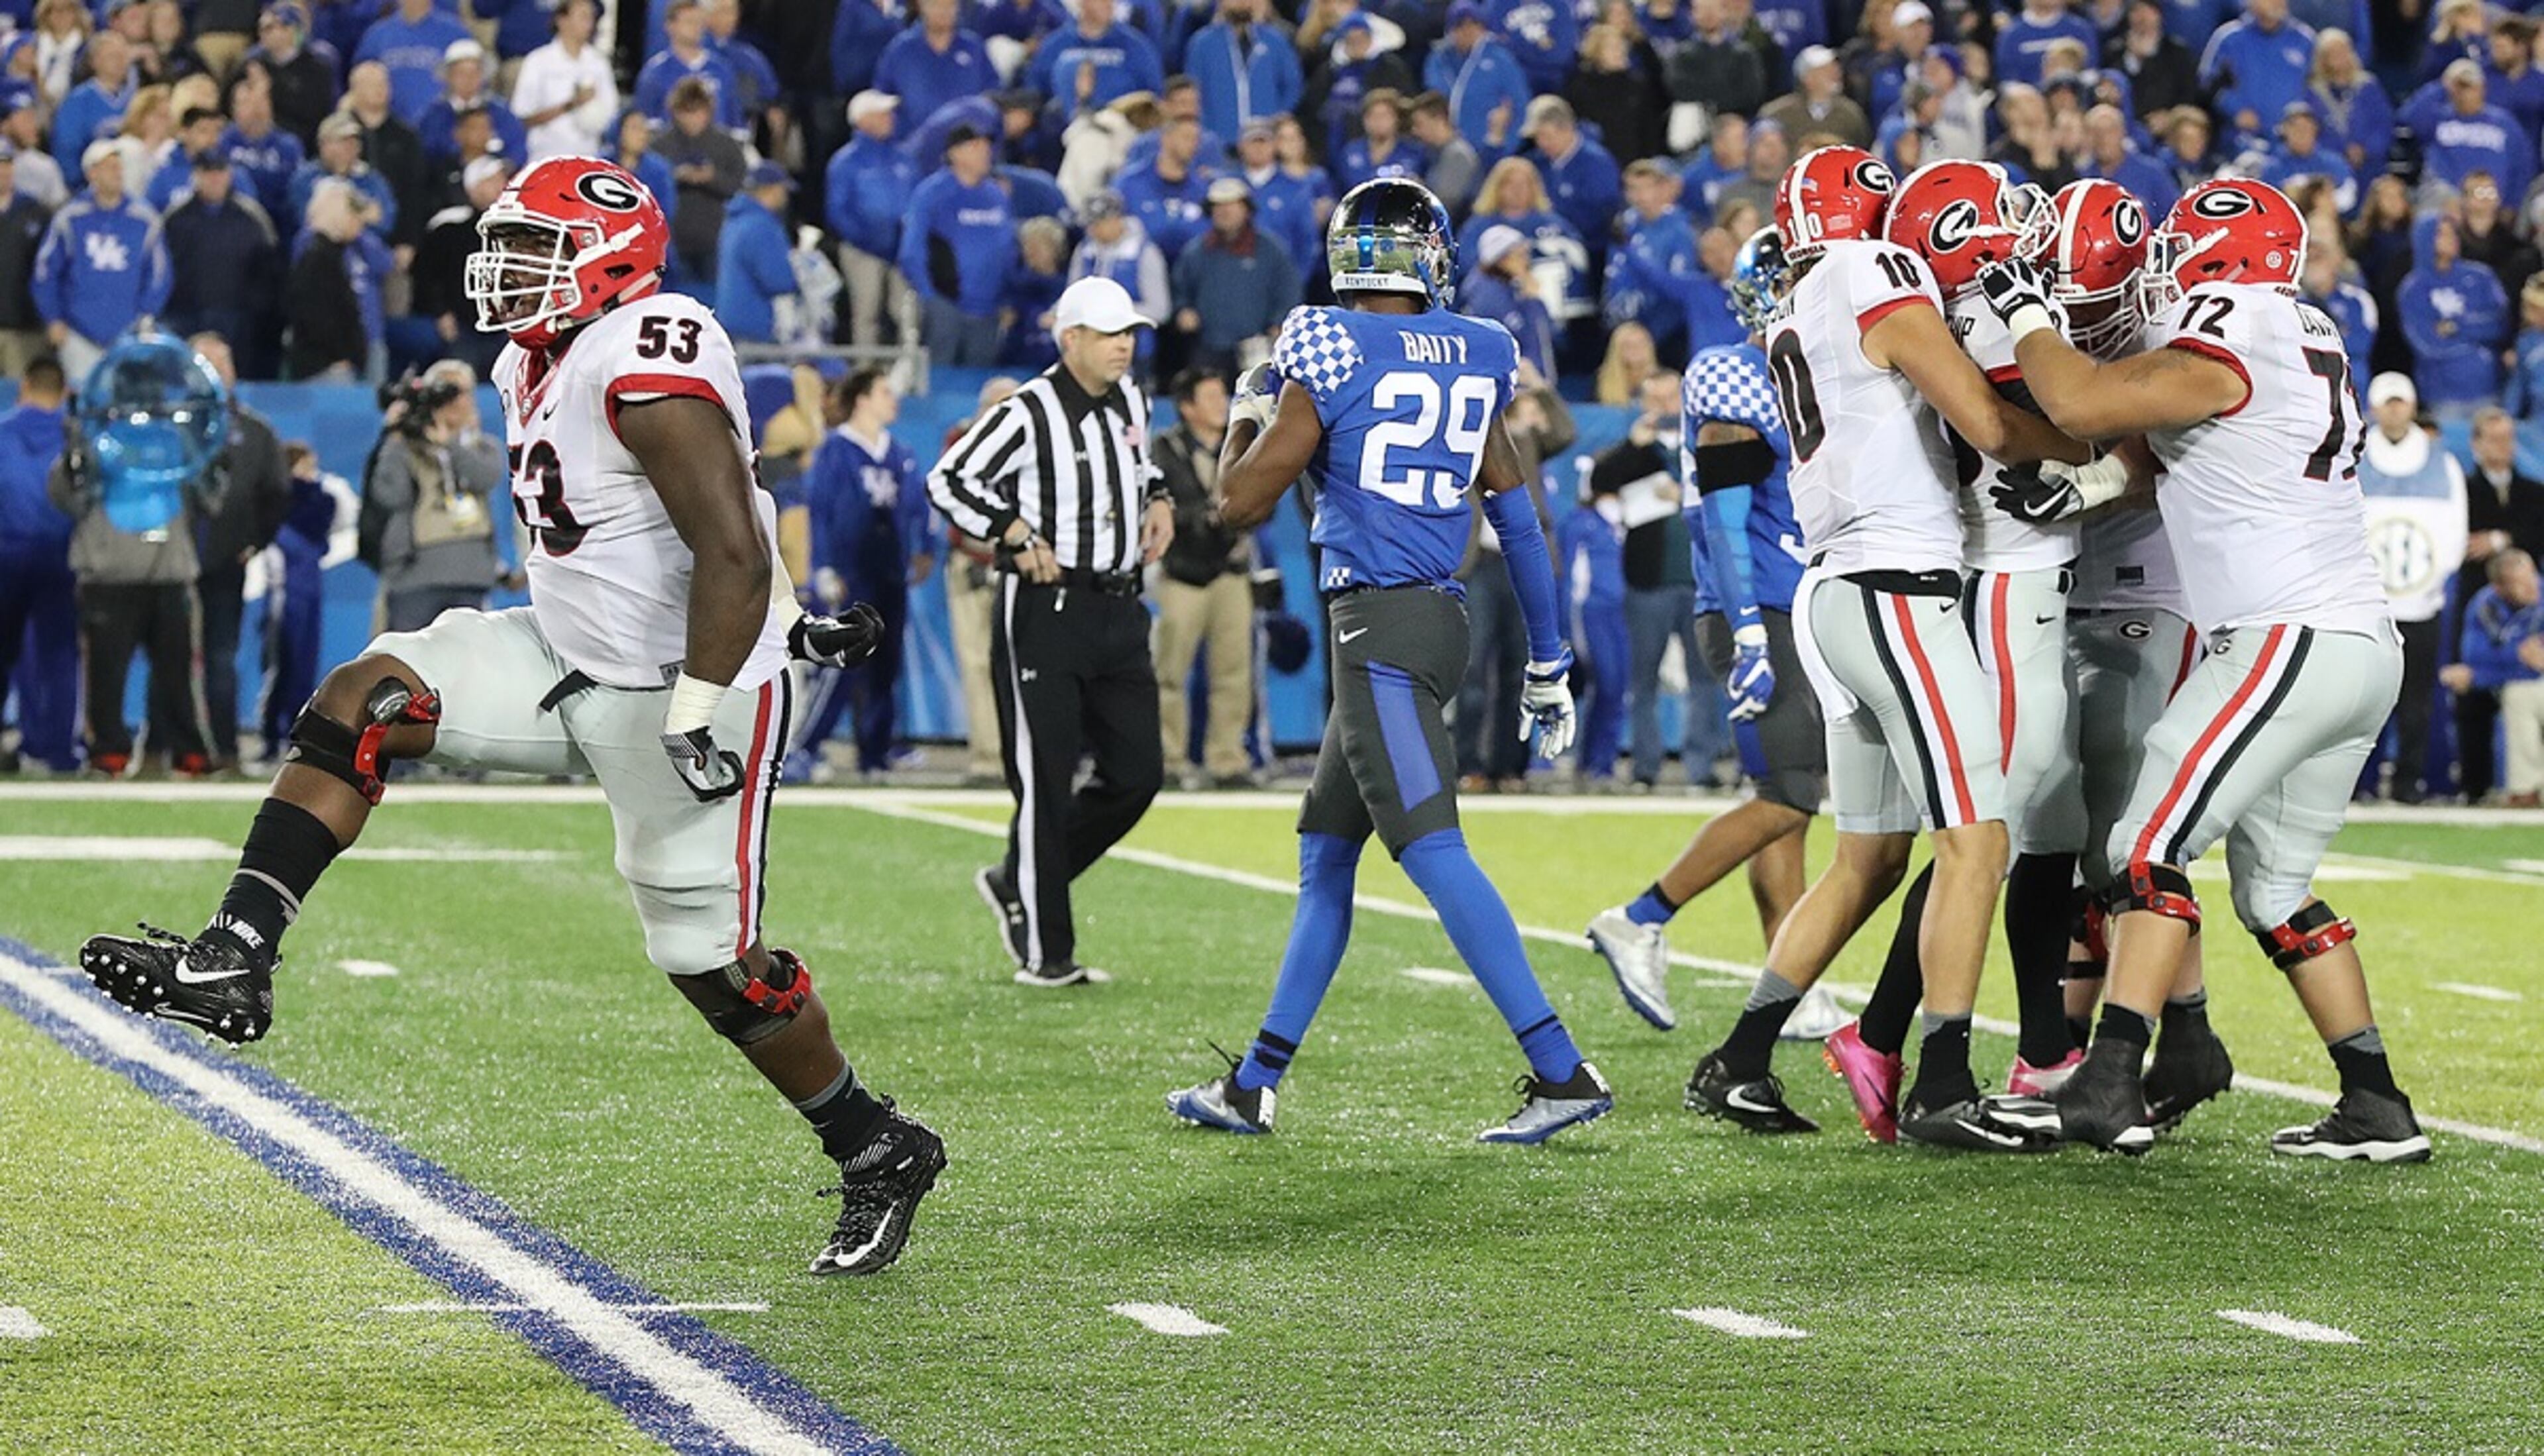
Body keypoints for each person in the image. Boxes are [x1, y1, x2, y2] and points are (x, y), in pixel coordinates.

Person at [76, 156, 945, 1277]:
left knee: (711, 963)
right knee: (364, 697)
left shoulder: (650, 346)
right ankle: (233, 954)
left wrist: (714, 688)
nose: (504, 270)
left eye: (533, 248)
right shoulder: (533, 352)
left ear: (609, 257)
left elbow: (732, 539)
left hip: (692, 690)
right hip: (568, 650)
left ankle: (874, 1141)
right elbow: (632, 541)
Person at [1975, 176, 2423, 1161]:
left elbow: (2080, 396)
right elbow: (2152, 458)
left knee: (2143, 842)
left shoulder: (2237, 325)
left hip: (2285, 638)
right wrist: (2081, 491)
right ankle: (2376, 1102)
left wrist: (2025, 307)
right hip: (2354, 647)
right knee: (2274, 890)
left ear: (2217, 259)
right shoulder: (2300, 330)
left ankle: (2116, 1071)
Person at [1164, 177, 1605, 1143]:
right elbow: (1519, 520)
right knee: (1326, 855)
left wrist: (1250, 406)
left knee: (1433, 849)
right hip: (1430, 622)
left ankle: (1561, 1068)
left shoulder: (1323, 341)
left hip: (1381, 630)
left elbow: (1236, 503)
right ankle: (1253, 1081)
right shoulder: (1481, 348)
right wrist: (1548, 656)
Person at [1679, 146, 2089, 1150]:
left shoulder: (1797, 300)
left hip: (1836, 593)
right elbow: (1990, 421)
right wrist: (2102, 442)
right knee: (1980, 837)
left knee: (1867, 858)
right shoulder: (1872, 272)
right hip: (1893, 590)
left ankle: (1739, 1057)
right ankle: (1945, 1080)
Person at [1589, 225, 1848, 1041]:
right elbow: (1724, 525)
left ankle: (1789, 977)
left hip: (1791, 607)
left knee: (1791, 802)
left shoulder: (1821, 373)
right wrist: (1747, 631)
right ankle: (1639, 915)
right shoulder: (1737, 371)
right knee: (1787, 795)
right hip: (1759, 608)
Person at [928, 276, 1175, 988]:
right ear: (1071, 340)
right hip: (1048, 607)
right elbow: (950, 479)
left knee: (1138, 774)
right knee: (1044, 778)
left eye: (1128, 330)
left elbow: (1140, 459)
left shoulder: (1131, 395)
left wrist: (1157, 496)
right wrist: (1010, 529)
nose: (1124, 344)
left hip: (1120, 606)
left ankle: (1019, 878)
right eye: (1109, 333)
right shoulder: (1030, 410)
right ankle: (1048, 952)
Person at [47, 334, 227, 777]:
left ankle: (190, 752)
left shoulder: (179, 439)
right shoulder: (94, 439)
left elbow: (211, 502)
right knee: (106, 677)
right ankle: (108, 751)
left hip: (168, 574)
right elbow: (67, 498)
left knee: (179, 675)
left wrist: (214, 466)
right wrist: (74, 457)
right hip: (108, 576)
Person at [794, 368, 936, 782]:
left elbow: (917, 505)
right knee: (838, 666)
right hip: (849, 571)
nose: (894, 400)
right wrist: (822, 567)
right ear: (863, 399)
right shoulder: (837, 450)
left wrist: (925, 547)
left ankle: (874, 754)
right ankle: (806, 746)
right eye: (884, 393)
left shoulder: (899, 452)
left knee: (885, 666)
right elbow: (819, 510)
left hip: (888, 569)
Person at [2353, 373, 2467, 804]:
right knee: (2362, 703)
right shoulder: (2357, 458)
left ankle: (2408, 784)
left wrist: (2434, 578)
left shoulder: (2444, 463)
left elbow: (2455, 530)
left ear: (2412, 406)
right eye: (2388, 403)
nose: (2395, 410)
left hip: (2423, 604)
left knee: (2418, 701)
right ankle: (2359, 784)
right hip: (2369, 605)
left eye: (2402, 402)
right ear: (2376, 408)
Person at [182, 333, 290, 771]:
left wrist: (254, 542)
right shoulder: (170, 427)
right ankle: (172, 748)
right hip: (171, 564)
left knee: (222, 659)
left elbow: (277, 493)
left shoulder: (256, 431)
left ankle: (223, 751)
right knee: (170, 661)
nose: (214, 374)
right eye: (205, 364)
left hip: (226, 562)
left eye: (221, 365)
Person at [1151, 368, 1256, 788]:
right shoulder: (1166, 447)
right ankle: (1168, 759)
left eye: (1223, 394)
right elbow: (1161, 505)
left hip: (1230, 571)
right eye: (1210, 397)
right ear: (1187, 407)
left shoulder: (1244, 445)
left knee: (1233, 671)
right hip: (1183, 574)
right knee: (1170, 672)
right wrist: (1203, 519)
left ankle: (1227, 758)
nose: (1221, 403)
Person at [364, 363, 508, 632]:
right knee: (408, 668)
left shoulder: (483, 446)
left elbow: (485, 478)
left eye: (459, 392)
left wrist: (450, 444)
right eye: (443, 393)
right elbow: (390, 495)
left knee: (466, 668)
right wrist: (395, 437)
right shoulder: (405, 447)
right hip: (414, 573)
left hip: (470, 573)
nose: (453, 402)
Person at [33, 143, 172, 384]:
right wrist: (53, 318)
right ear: (92, 173)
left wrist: (146, 315)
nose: (117, 173)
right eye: (109, 168)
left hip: (129, 333)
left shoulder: (144, 218)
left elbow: (160, 275)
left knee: (125, 402)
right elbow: (46, 272)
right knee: (82, 403)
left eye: (118, 167)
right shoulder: (71, 217)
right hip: (78, 333)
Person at [0, 355, 80, 774]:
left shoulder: (2, 432)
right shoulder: (77, 438)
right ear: (65, 391)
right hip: (61, 558)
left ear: (25, 386)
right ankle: (58, 752)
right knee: (60, 656)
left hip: (6, 557)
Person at [900, 125, 1018, 368]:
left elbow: (1008, 249)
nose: (986, 152)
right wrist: (929, 296)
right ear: (955, 154)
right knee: (940, 379)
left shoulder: (996, 196)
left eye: (987, 146)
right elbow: (912, 250)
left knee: (979, 384)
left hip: (989, 310)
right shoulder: (932, 193)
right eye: (976, 147)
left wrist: (1007, 297)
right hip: (947, 306)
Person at [255, 441, 339, 766]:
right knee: (281, 665)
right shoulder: (279, 505)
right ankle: (270, 734)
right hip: (285, 592)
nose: (310, 473)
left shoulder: (320, 500)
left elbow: (330, 518)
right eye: (304, 466)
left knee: (304, 665)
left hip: (307, 590)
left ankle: (295, 732)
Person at [1170, 176, 1300, 378]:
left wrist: (1279, 322)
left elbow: (1288, 289)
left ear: (1247, 209)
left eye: (1232, 205)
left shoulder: (1270, 249)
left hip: (1256, 345)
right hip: (1209, 344)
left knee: (1256, 402)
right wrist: (1183, 310)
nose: (1224, 212)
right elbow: (1180, 289)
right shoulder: (1197, 251)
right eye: (1218, 206)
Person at [2445, 549, 2544, 806]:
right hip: (2513, 685)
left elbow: (2477, 672)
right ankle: (2525, 790)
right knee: (2519, 696)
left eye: (2532, 577)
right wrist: (2519, 656)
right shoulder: (2485, 606)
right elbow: (2475, 661)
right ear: (2500, 588)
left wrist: (2481, 674)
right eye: (2520, 584)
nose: (2532, 587)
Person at [511, 0, 618, 162]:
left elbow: (612, 112)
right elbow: (523, 117)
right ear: (562, 20)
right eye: (583, 17)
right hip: (546, 159)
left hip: (588, 159)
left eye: (592, 17)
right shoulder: (538, 61)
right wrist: (571, 105)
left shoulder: (598, 63)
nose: (590, 23)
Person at [714, 160, 797, 346]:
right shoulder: (761, 226)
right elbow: (777, 280)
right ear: (771, 190)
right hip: (755, 324)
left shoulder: (735, 220)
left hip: (731, 320)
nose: (785, 197)